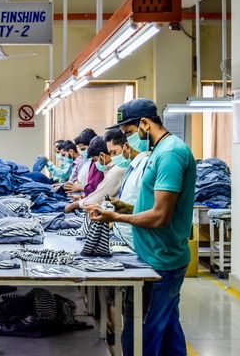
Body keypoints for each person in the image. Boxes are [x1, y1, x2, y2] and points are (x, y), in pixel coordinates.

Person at [89, 99, 196, 356]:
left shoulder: (170, 154)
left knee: (140, 338)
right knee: (168, 331)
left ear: (145, 124)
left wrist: (115, 218)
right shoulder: (159, 151)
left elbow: (160, 216)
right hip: (157, 255)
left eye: (129, 133)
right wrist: (126, 207)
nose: (128, 140)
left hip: (161, 261)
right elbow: (156, 204)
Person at [106, 126, 150, 248]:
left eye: (114, 153)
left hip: (136, 241)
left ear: (126, 147)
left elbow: (150, 210)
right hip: (124, 236)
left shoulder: (145, 166)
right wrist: (121, 207)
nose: (113, 157)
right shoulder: (131, 168)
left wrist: (117, 216)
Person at [64, 129, 127, 213]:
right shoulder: (104, 167)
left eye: (114, 153)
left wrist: (76, 204)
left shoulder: (117, 169)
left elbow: (99, 194)